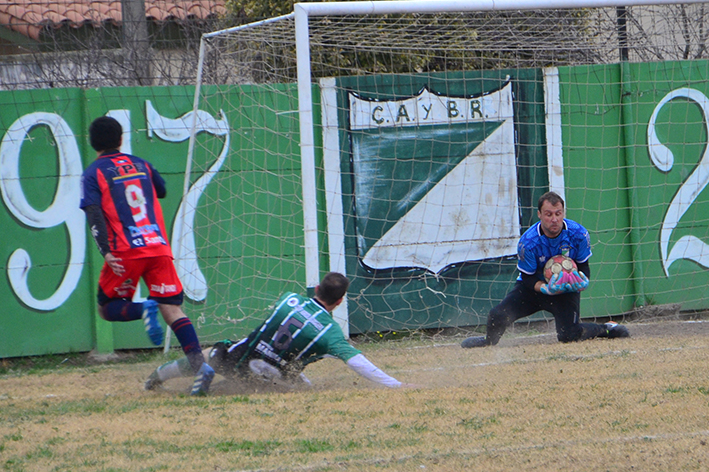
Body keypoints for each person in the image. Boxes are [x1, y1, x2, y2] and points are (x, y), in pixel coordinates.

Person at [80, 116, 214, 396]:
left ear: (93, 143)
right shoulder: (141, 164)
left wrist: (105, 251)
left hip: (126, 250)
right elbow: (162, 190)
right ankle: (200, 365)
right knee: (173, 309)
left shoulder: (93, 173)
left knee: (107, 308)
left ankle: (145, 308)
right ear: (120, 139)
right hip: (158, 246)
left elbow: (94, 213)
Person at [145, 272, 410, 391]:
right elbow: (359, 363)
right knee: (299, 384)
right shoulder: (330, 332)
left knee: (206, 355)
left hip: (238, 359)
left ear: (316, 289)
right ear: (340, 302)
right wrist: (397, 385)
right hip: (274, 380)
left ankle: (156, 379)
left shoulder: (288, 299)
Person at [461, 191, 629, 349]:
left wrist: (582, 280)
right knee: (497, 315)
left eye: (558, 213)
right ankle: (488, 341)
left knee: (569, 335)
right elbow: (527, 278)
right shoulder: (528, 242)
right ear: (539, 214)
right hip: (533, 290)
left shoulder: (579, 234)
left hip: (564, 291)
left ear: (563, 213)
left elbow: (583, 265)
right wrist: (545, 288)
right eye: (548, 214)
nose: (554, 219)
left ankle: (607, 329)